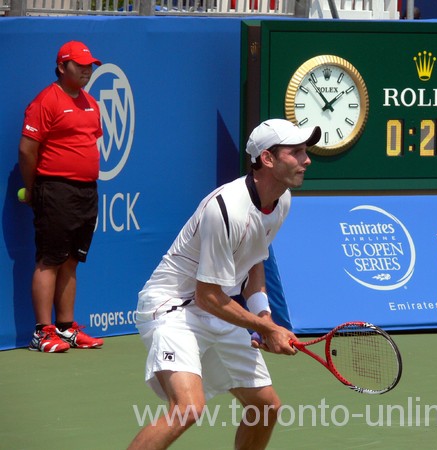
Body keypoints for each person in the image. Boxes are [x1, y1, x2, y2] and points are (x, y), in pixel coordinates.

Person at [128, 119, 321, 450]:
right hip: (173, 306)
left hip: (218, 307)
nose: (307, 159)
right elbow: (207, 296)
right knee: (187, 408)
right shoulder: (226, 209)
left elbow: (253, 259)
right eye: (296, 152)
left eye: (306, 152)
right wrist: (266, 328)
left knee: (265, 408)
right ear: (267, 158)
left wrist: (265, 318)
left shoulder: (282, 200)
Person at [19, 41, 104, 353]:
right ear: (61, 67)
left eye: (89, 66)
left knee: (71, 261)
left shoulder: (91, 104)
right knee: (49, 260)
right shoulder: (46, 101)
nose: (86, 71)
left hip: (86, 192)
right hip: (54, 189)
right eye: (79, 65)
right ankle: (42, 332)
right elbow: (28, 149)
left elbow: (89, 143)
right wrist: (33, 189)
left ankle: (66, 328)